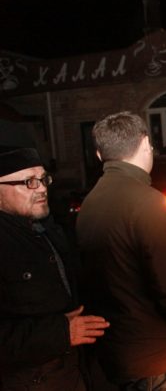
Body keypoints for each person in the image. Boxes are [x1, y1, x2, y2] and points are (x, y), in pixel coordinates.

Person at [76, 111, 166, 390]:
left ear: (99, 155)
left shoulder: (90, 202)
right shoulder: (147, 202)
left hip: (117, 350)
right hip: (155, 355)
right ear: (145, 144)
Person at [0, 146, 109, 390]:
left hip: (72, 373)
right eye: (29, 182)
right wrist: (61, 332)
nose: (41, 188)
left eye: (43, 179)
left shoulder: (49, 229)